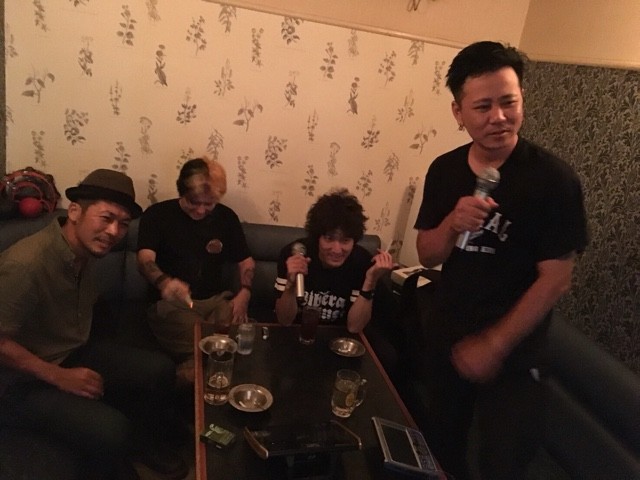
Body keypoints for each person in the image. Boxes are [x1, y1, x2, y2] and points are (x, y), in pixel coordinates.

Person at [413, 41, 588, 479]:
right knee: (441, 444)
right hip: (450, 331)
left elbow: (556, 279)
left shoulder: (554, 180)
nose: (499, 117)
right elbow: (428, 254)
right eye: (483, 106)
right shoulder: (444, 170)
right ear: (458, 112)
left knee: (503, 462)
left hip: (516, 348)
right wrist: (451, 223)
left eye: (509, 102)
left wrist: (493, 345)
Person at [0, 169, 189, 480]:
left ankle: (144, 445)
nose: (114, 231)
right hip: (17, 383)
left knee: (159, 370)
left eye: (123, 224)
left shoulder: (81, 252)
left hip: (67, 351)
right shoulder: (26, 263)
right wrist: (59, 376)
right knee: (111, 428)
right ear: (75, 211)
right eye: (106, 218)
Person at [137, 158, 255, 382]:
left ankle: (192, 377)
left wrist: (245, 293)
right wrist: (164, 282)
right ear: (181, 191)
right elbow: (144, 260)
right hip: (172, 304)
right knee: (215, 345)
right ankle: (199, 382)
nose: (201, 210)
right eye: (194, 202)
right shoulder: (157, 215)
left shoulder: (226, 217)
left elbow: (246, 262)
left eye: (209, 204)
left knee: (234, 338)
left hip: (216, 300)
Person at [275, 188, 393, 333]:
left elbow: (354, 327)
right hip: (298, 331)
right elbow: (285, 320)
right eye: (329, 238)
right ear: (317, 237)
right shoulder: (293, 254)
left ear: (354, 241)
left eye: (345, 240)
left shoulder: (362, 262)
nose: (337, 250)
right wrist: (290, 285)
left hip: (339, 336)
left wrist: (371, 281)